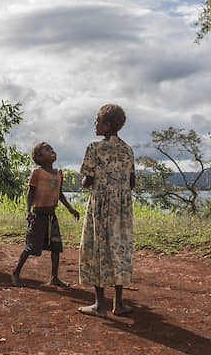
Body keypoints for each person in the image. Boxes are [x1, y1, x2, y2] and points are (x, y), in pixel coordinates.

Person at [78, 104, 135, 317]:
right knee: (119, 248)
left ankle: (99, 304)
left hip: (101, 204)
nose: (95, 124)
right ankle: (118, 304)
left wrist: (89, 182)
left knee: (97, 248)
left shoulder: (94, 147)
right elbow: (132, 181)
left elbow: (88, 179)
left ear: (107, 125)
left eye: (97, 121)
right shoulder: (128, 149)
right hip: (122, 208)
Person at [11, 142, 80, 287]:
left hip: (51, 217)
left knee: (55, 247)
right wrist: (28, 211)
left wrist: (70, 208)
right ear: (39, 157)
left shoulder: (59, 173)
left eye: (52, 148)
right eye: (47, 150)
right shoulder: (37, 172)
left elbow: (60, 194)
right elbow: (30, 193)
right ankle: (16, 272)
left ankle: (54, 277)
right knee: (31, 246)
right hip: (38, 216)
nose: (52, 151)